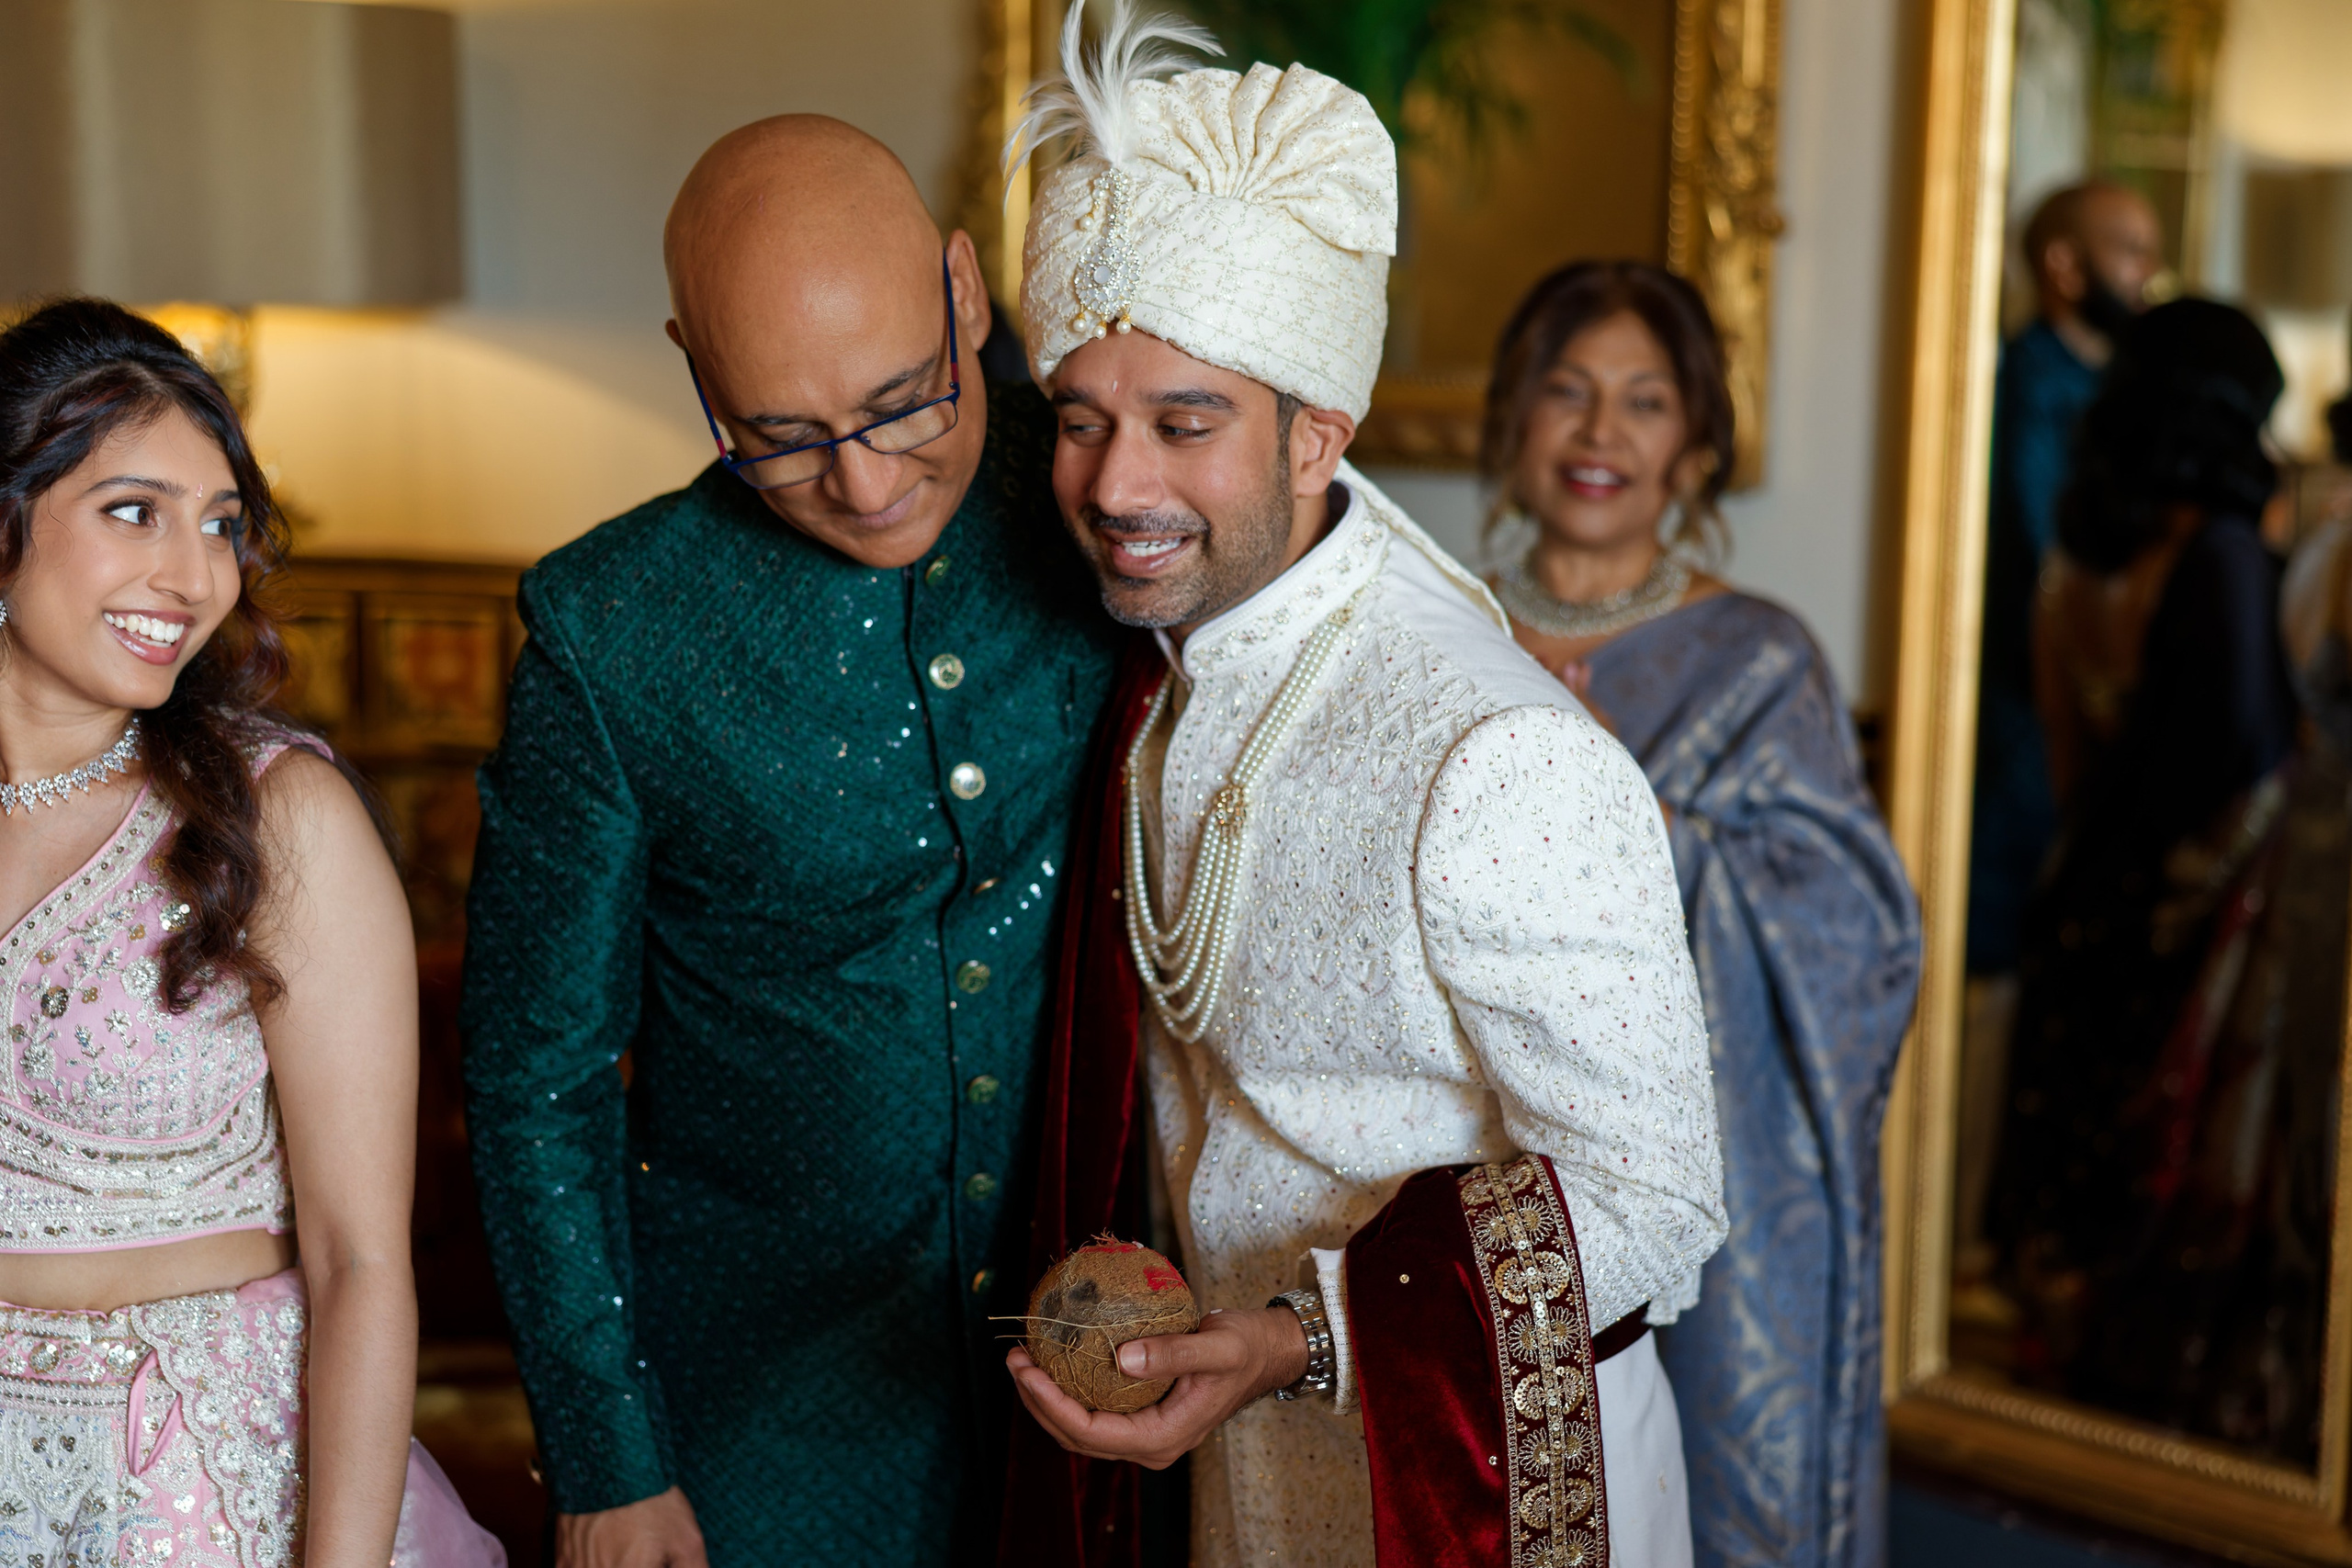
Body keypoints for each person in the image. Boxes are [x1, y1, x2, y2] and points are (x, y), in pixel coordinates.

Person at [996, 10, 1726, 1565]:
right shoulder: (1163, 670)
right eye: (1082, 420)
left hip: (1487, 1479)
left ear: (1320, 434)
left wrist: (1295, 1335)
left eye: (1186, 424)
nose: (1118, 485)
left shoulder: (1496, 753)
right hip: (1237, 1458)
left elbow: (1660, 1204)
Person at [458, 118, 1118, 1567]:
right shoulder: (608, 627)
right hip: (758, 1398)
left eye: (903, 404)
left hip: (1113, 1362)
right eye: (779, 437)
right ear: (696, 368)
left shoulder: (1099, 501)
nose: (869, 482)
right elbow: (534, 1077)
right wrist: (604, 1453)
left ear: (964, 291)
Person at [0, 299, 501, 1566]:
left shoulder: (277, 815)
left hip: (212, 1491)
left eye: (221, 524)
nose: (195, 574)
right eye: (134, 511)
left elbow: (359, 1262)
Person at [1478, 260, 1920, 1568]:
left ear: (1697, 443)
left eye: (1645, 401)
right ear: (1512, 421)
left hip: (1700, 1159)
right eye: (1566, 392)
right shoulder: (1442, 635)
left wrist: (1638, 834)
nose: (1600, 433)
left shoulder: (1761, 657)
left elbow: (1859, 939)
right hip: (1479, 1139)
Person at [1987, 299, 2299, 1441]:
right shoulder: (2220, 556)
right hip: (2196, 922)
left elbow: (2074, 760)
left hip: (2082, 903)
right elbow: (2250, 769)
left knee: (2084, 1215)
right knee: (2168, 1233)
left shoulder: (2074, 563)